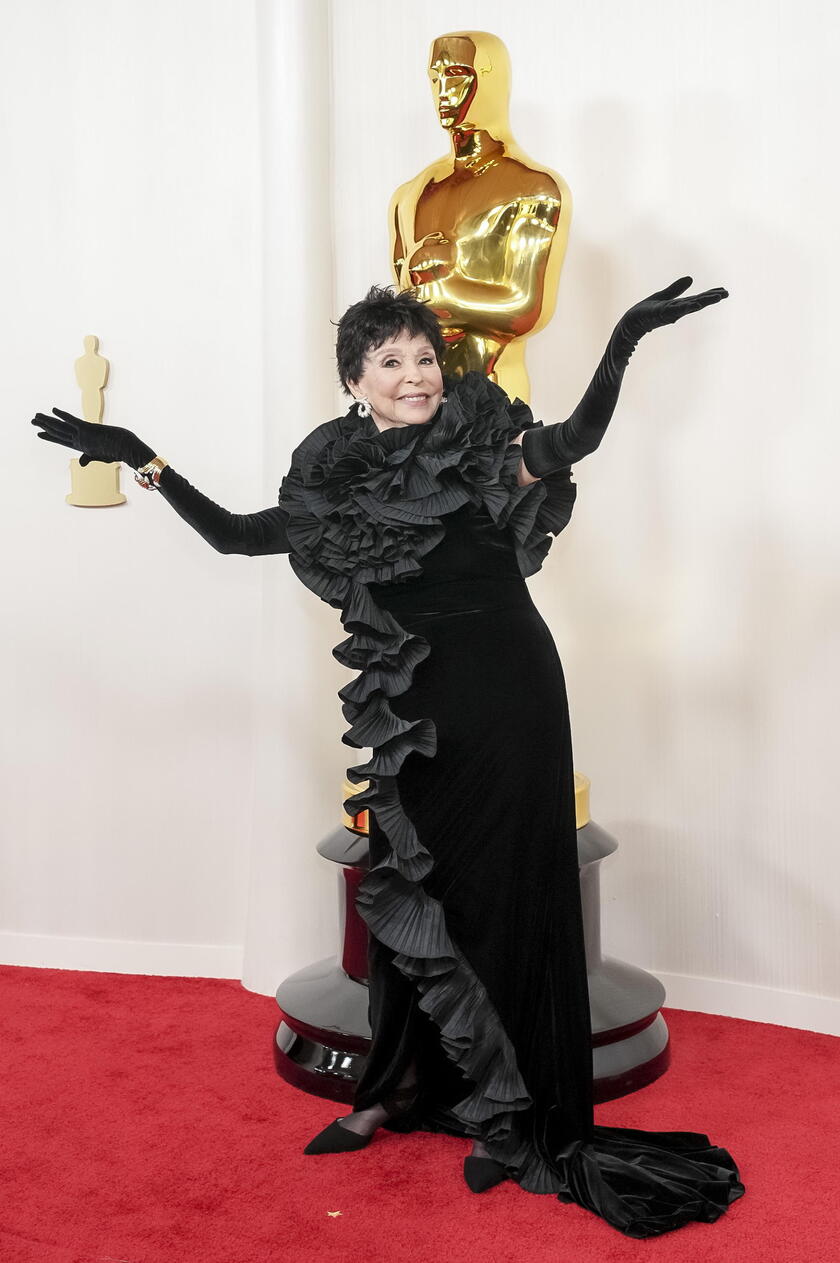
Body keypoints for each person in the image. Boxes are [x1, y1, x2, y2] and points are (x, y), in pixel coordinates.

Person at [31, 278, 745, 1239]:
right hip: (414, 708)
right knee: (412, 882)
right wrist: (140, 458)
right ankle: (394, 1089)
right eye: (392, 361)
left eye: (424, 357)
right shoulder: (336, 486)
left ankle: (516, 1114)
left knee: (501, 892)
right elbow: (240, 537)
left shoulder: (484, 449)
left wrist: (622, 341)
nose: (416, 375)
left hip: (508, 696)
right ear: (355, 382)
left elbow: (570, 441)